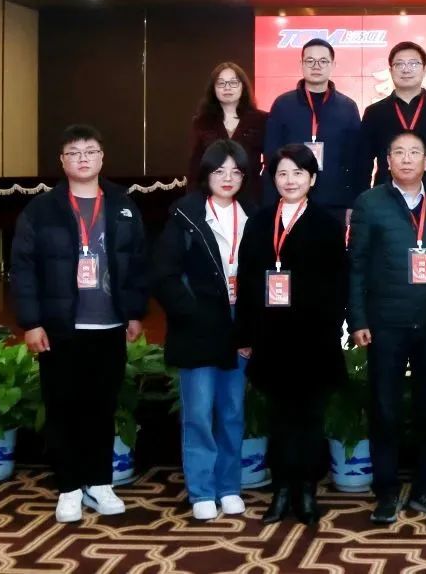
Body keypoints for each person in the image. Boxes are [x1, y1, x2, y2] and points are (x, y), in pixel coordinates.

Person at [10, 124, 147, 524]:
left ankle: (99, 482)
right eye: (74, 152)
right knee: (63, 408)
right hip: (60, 328)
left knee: (102, 407)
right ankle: (69, 487)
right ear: (62, 161)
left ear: (102, 157)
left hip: (109, 326)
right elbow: (23, 269)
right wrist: (31, 322)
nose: (83, 159)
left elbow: (138, 262)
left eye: (90, 151)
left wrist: (134, 311)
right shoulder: (41, 210)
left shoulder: (122, 204)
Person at [234, 144, 348, 525]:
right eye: (282, 173)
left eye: (298, 173)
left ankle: (307, 491)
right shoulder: (259, 222)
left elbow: (339, 282)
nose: (290, 180)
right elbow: (248, 280)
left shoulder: (327, 224)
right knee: (279, 417)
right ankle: (282, 490)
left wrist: (332, 327)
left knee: (310, 417)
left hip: (314, 338)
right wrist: (245, 333)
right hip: (272, 338)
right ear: (274, 179)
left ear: (312, 179)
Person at [349, 131, 426, 524]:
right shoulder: (369, 202)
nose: (407, 159)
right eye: (399, 152)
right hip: (385, 323)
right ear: (387, 161)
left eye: (415, 152)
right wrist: (357, 319)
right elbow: (357, 265)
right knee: (385, 409)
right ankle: (387, 491)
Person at [152, 139, 256, 521]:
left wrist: (251, 327)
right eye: (219, 171)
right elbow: (163, 275)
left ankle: (228, 487)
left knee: (232, 411)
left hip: (238, 322)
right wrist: (191, 313)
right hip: (197, 323)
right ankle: (201, 490)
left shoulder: (254, 215)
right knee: (198, 411)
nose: (227, 178)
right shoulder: (185, 215)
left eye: (236, 172)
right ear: (206, 174)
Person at [263, 38, 362, 223]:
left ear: (333, 65)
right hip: (290, 198)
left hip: (334, 202)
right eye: (310, 61)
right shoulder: (283, 104)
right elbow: (271, 155)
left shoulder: (348, 107)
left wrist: (352, 202)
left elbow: (356, 159)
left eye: (323, 61)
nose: (316, 66)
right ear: (301, 64)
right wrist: (271, 201)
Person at [357, 41, 426, 192]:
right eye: (399, 64)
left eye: (413, 64)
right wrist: (363, 200)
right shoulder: (374, 112)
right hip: (384, 197)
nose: (406, 69)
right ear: (391, 70)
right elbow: (363, 164)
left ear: (424, 70)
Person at [188, 62, 267, 201]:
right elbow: (195, 167)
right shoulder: (202, 122)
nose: (227, 87)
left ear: (243, 86)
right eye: (221, 83)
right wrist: (192, 201)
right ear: (213, 89)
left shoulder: (261, 119)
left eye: (233, 82)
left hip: (250, 195)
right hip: (212, 196)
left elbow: (271, 160)